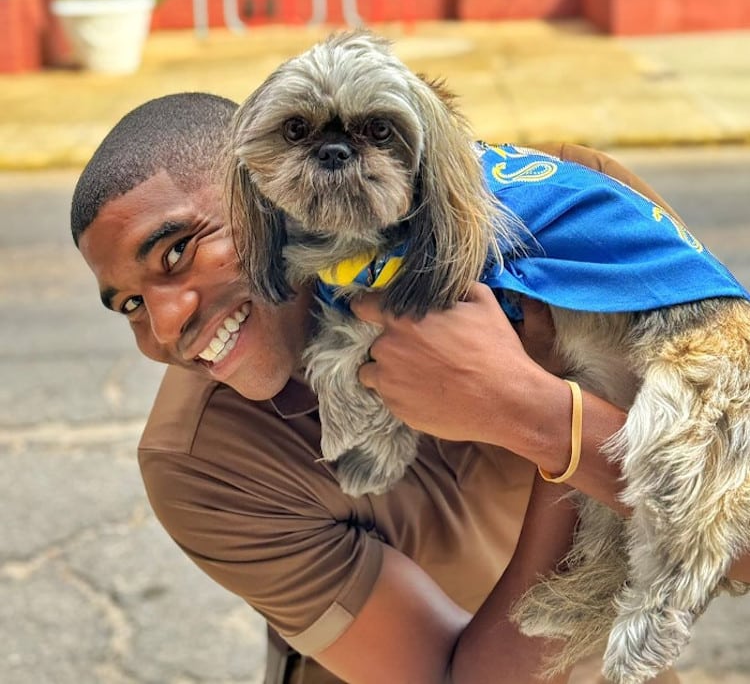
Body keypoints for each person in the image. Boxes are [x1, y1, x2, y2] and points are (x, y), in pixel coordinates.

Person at [72, 92, 750, 684]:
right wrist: (544, 417)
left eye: (176, 252)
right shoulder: (203, 461)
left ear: (266, 185)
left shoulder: (570, 213)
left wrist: (538, 410)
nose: (165, 325)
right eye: (130, 304)